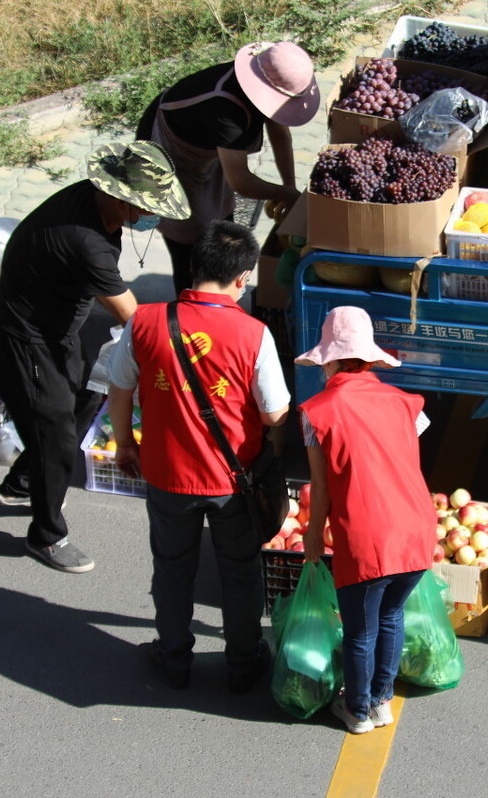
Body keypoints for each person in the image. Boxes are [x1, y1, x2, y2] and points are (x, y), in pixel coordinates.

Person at [0, 140, 190, 574]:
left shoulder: (94, 202)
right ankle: (47, 536)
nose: (151, 217)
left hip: (58, 326)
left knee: (84, 397)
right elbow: (134, 318)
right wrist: (185, 350)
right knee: (54, 431)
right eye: (146, 207)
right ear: (120, 196)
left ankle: (21, 483)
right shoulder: (85, 240)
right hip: (27, 337)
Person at [105, 220, 290, 693]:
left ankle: (173, 659)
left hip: (166, 476)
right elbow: (272, 415)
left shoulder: (144, 322)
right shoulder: (254, 334)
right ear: (242, 277)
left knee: (171, 568)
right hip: (234, 482)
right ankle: (244, 662)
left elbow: (120, 387)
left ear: (192, 266)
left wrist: (126, 443)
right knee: (240, 571)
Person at [296, 306, 437, 734]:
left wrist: (313, 533)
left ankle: (356, 711)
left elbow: (320, 487)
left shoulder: (315, 412)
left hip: (366, 535)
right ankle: (380, 702)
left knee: (360, 631)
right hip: (416, 528)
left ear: (331, 359)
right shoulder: (406, 403)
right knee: (391, 616)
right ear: (369, 358)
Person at [136, 40, 319, 293]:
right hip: (173, 150)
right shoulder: (225, 109)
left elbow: (280, 134)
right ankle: (189, 303)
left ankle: (221, 293)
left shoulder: (264, 89)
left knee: (222, 229)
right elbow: (240, 181)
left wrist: (289, 184)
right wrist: (285, 194)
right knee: (190, 240)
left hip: (208, 148)